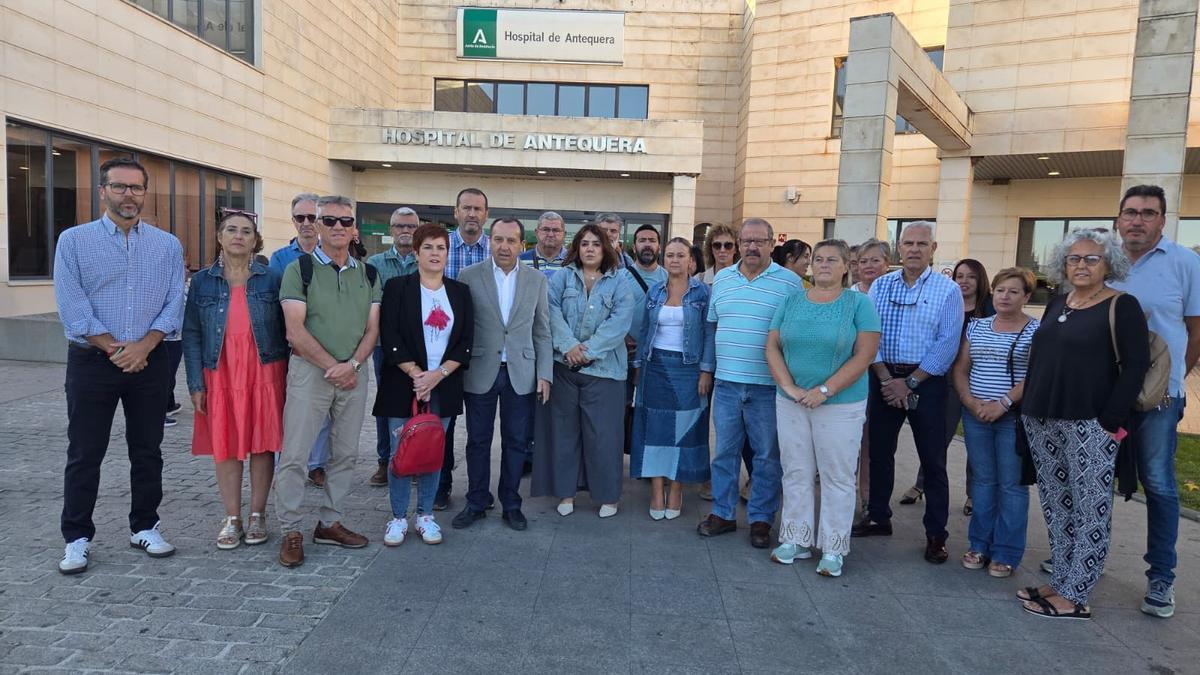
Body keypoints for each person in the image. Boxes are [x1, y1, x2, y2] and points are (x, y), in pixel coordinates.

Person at [54, 157, 185, 574]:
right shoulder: (73, 241)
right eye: (120, 187)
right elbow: (73, 307)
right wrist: (116, 350)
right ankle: (77, 537)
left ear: (146, 193)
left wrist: (144, 347)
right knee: (85, 452)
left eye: (136, 188)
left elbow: (173, 302)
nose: (129, 195)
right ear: (103, 191)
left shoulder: (167, 245)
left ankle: (145, 526)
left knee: (147, 450)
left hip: (150, 361)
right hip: (93, 362)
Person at [1018, 228, 1149, 619]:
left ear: (1109, 264)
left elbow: (1136, 366)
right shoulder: (1060, 302)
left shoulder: (1122, 305)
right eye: (1074, 258)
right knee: (1057, 505)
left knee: (1090, 508)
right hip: (1043, 418)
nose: (1081, 265)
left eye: (1092, 258)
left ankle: (1076, 595)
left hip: (1090, 424)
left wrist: (1110, 421)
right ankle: (1061, 579)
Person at [274, 195, 381, 568]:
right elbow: (294, 330)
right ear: (317, 226)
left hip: (354, 373)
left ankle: (330, 522)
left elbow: (372, 330)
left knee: (346, 453)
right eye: (329, 221)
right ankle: (290, 528)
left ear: (354, 228)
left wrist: (351, 364)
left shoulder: (367, 273)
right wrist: (333, 366)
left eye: (344, 221)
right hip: (310, 372)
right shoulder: (298, 270)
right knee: (296, 455)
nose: (337, 227)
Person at [1109, 184, 1200, 618]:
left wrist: (1174, 379)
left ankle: (1161, 576)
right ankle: (1083, 558)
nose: (1137, 220)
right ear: (1118, 219)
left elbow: (1197, 329)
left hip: (1160, 400)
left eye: (1148, 213)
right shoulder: (1103, 260)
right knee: (1093, 478)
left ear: (1162, 220)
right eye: (1130, 212)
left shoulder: (1186, 263)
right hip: (1107, 395)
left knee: (1160, 483)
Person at [765, 239, 880, 576]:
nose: (824, 265)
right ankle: (796, 539)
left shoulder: (859, 304)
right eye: (818, 259)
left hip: (840, 404)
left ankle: (833, 547)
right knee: (796, 470)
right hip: (792, 400)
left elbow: (865, 354)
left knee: (837, 475)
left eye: (833, 259)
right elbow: (772, 346)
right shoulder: (791, 300)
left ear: (847, 266)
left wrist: (825, 390)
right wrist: (788, 386)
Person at [852, 221, 963, 565]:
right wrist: (886, 378)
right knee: (881, 453)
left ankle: (936, 534)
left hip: (926, 382)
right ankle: (878, 517)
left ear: (933, 248)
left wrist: (910, 382)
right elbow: (870, 334)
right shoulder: (881, 286)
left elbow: (947, 343)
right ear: (899, 248)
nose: (914, 249)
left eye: (921, 243)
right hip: (883, 376)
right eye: (908, 243)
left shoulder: (948, 290)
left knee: (933, 460)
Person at [182, 209, 288, 550]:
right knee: (225, 445)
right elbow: (192, 334)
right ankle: (232, 517)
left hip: (264, 369)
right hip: (221, 370)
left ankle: (257, 513)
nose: (238, 236)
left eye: (245, 231)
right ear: (219, 237)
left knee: (262, 444)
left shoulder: (271, 278)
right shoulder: (202, 282)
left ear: (255, 240)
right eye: (231, 230)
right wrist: (196, 383)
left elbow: (287, 328)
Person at [698, 218, 801, 549]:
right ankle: (723, 514)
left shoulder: (790, 283)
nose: (752, 247)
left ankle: (760, 519)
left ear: (772, 244)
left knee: (767, 457)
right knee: (724, 453)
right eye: (747, 241)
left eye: (760, 241)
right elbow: (712, 330)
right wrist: (707, 371)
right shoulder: (723, 280)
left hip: (768, 386)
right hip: (727, 384)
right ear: (739, 244)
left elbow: (795, 335)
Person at [374, 224, 473, 546]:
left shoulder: (459, 292)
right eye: (428, 247)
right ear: (416, 253)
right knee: (400, 453)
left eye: (440, 248)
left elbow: (466, 342)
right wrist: (418, 374)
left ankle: (426, 515)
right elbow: (389, 336)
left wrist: (437, 375)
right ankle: (399, 517)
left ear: (448, 253)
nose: (434, 253)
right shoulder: (397, 287)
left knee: (432, 452)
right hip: (403, 383)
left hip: (443, 383)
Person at [532, 225, 637, 517]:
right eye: (584, 244)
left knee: (603, 437)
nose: (590, 249)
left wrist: (587, 351)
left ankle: (608, 496)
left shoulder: (620, 281)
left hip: (605, 372)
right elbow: (550, 313)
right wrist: (569, 347)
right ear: (576, 248)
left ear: (605, 249)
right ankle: (566, 494)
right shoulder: (562, 277)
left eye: (596, 244)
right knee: (565, 435)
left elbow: (619, 322)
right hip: (564, 368)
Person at [455, 217, 552, 532]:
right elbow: (462, 328)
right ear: (489, 240)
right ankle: (476, 501)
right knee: (478, 441)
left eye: (511, 240)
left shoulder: (536, 280)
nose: (504, 246)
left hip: (520, 372)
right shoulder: (469, 276)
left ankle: (511, 504)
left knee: (516, 442)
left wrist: (545, 374)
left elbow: (542, 331)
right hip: (481, 370)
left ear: (521, 244)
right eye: (498, 239)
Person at [952, 267, 1038, 579]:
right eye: (1001, 290)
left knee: (1012, 486)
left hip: (1011, 418)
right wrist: (972, 402)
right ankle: (979, 545)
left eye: (1014, 291)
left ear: (1026, 297)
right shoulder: (976, 326)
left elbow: (1036, 375)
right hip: (976, 416)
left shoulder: (1034, 330)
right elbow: (961, 368)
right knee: (983, 482)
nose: (1005, 296)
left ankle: (1006, 553)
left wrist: (1002, 404)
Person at [630, 237, 715, 520]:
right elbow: (644, 331)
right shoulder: (654, 291)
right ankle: (656, 489)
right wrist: (639, 366)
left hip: (688, 370)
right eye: (669, 255)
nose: (674, 260)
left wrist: (706, 370)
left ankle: (676, 488)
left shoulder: (703, 293)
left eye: (680, 255)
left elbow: (709, 334)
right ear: (663, 259)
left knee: (685, 432)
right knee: (654, 430)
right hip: (655, 367)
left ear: (691, 260)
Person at [901, 259, 993, 513]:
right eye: (959, 275)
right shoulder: (947, 302)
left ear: (980, 280)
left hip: (979, 382)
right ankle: (922, 484)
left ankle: (973, 494)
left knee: (976, 442)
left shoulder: (990, 308)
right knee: (937, 437)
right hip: (945, 380)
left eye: (970, 276)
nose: (963, 281)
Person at [435, 188, 492, 512]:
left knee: (480, 430)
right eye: (466, 208)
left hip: (485, 352)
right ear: (456, 212)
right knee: (444, 425)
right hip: (447, 352)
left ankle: (478, 491)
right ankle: (441, 486)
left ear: (486, 214)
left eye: (478, 209)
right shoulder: (442, 248)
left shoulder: (494, 250)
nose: (472, 214)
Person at [364, 207, 420, 487]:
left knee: (418, 404)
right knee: (387, 405)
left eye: (410, 226)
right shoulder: (374, 264)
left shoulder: (425, 261)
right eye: (399, 226)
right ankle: (384, 461)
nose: (405, 231)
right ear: (391, 229)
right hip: (385, 347)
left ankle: (413, 458)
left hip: (419, 348)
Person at [694, 222, 744, 502]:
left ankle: (739, 479)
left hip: (735, 361)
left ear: (736, 248)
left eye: (728, 245)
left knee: (736, 427)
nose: (722, 250)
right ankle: (706, 476)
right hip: (705, 359)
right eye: (717, 245)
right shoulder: (700, 279)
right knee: (704, 419)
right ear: (709, 248)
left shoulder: (742, 278)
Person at [851, 238, 892, 516]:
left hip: (885, 376)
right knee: (854, 440)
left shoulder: (892, 293)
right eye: (862, 261)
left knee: (875, 443)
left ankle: (870, 501)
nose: (868, 266)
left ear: (886, 264)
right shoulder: (849, 295)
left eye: (875, 260)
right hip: (852, 376)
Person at [269, 192, 321, 274]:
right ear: (293, 221)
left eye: (312, 217)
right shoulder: (279, 258)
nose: (306, 223)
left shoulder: (331, 254)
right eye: (300, 218)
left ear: (320, 220)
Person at [519, 211, 569, 277]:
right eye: (546, 229)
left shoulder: (573, 261)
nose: (551, 234)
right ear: (536, 233)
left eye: (556, 230)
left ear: (564, 234)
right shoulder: (520, 261)